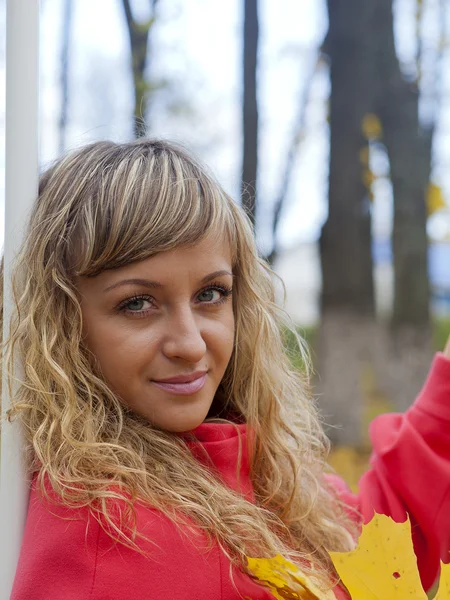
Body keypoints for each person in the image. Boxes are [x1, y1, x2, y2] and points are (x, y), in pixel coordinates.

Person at [5, 138, 450, 600]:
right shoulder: (111, 537)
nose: (191, 343)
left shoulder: (244, 468)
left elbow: (366, 557)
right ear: (60, 322)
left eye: (210, 294)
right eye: (137, 303)